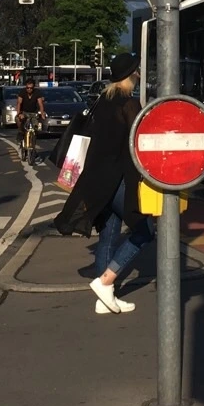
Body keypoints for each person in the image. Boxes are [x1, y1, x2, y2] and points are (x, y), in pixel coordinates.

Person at [54, 53, 153, 315]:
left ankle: (104, 300)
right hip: (115, 179)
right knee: (144, 230)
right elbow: (138, 143)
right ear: (129, 75)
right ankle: (105, 281)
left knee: (109, 234)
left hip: (94, 180)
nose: (139, 75)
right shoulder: (129, 104)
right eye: (136, 71)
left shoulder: (101, 101)